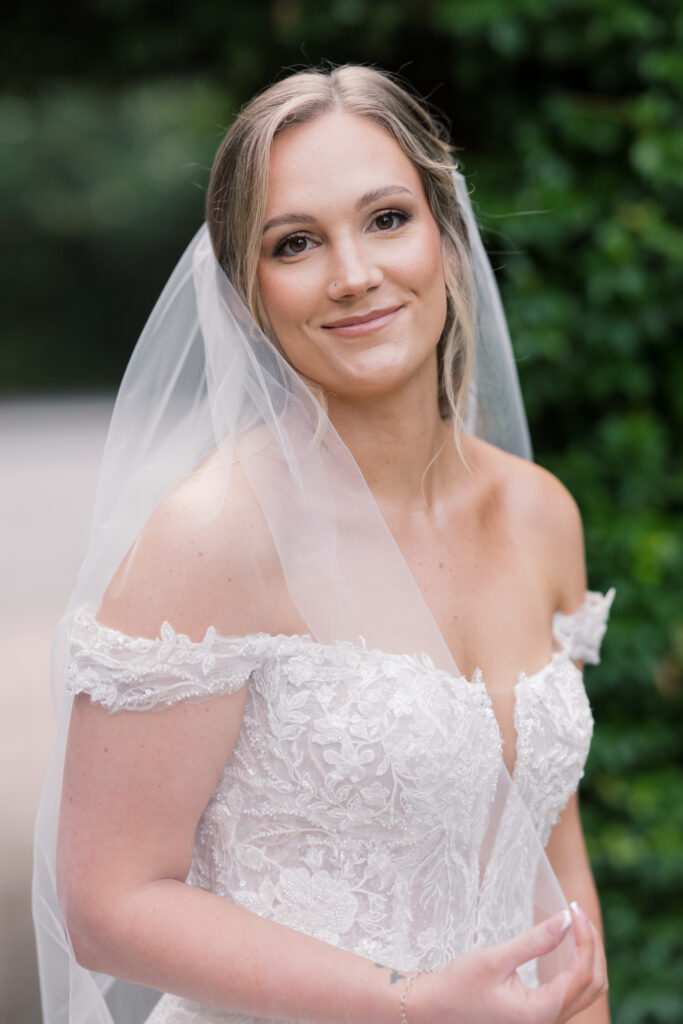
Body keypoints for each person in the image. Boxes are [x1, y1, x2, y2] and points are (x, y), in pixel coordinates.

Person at [33, 65, 614, 1024]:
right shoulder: (214, 534)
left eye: (387, 218)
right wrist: (414, 1003)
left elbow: (552, 859)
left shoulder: (539, 514)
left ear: (447, 235)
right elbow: (109, 902)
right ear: (246, 291)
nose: (353, 275)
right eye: (295, 243)